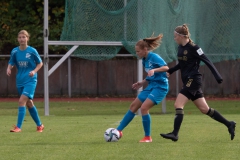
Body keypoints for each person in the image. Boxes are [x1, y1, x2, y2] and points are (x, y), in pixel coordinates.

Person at [160, 24, 236, 142]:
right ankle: (229, 124)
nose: (174, 38)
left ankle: (175, 134)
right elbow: (182, 64)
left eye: (175, 36)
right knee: (205, 109)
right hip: (188, 80)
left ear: (181, 36)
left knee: (178, 104)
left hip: (193, 79)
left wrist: (217, 76)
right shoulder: (180, 48)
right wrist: (171, 71)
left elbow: (207, 61)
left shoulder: (195, 48)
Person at [116, 34, 169, 142]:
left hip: (160, 87)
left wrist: (155, 70)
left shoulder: (154, 57)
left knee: (144, 108)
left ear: (145, 49)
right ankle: (117, 131)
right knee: (133, 106)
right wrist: (142, 82)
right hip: (151, 86)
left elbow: (166, 67)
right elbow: (150, 75)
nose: (137, 53)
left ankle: (148, 137)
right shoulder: (144, 60)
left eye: (138, 51)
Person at [6, 30, 44, 133]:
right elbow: (11, 62)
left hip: (30, 80)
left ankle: (18, 127)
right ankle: (40, 125)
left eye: (24, 37)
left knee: (21, 101)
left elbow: (40, 63)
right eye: (20, 37)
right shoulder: (14, 51)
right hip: (20, 80)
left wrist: (34, 71)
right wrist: (9, 68)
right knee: (29, 103)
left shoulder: (32, 51)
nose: (22, 39)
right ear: (18, 39)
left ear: (27, 38)